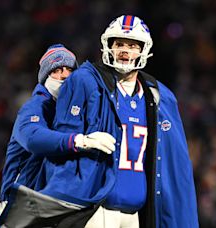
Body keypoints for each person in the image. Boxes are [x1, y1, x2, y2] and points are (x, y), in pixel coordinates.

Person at [51, 15, 199, 227]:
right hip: (97, 209)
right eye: (119, 43)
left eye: (132, 45)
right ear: (107, 46)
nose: (125, 50)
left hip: (134, 214)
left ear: (143, 50)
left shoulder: (156, 96)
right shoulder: (88, 82)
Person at [0, 43, 116, 202]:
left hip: (48, 196)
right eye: (57, 70)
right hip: (19, 199)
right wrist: (79, 140)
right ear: (45, 76)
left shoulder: (70, 109)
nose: (65, 75)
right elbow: (32, 138)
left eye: (70, 70)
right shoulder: (35, 107)